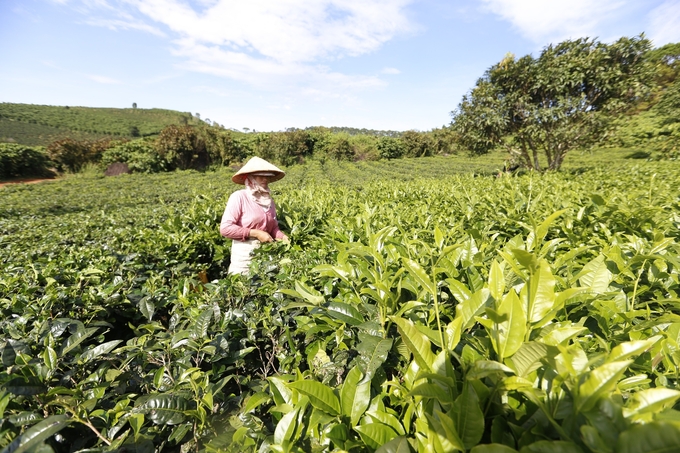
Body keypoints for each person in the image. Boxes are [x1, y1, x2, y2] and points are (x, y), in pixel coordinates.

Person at [220, 156, 289, 275]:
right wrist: (256, 233)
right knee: (244, 289)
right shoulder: (239, 197)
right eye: (260, 176)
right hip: (244, 258)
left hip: (266, 257)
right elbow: (225, 228)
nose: (265, 179)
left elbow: (273, 228)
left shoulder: (269, 201)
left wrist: (283, 237)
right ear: (250, 178)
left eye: (267, 176)